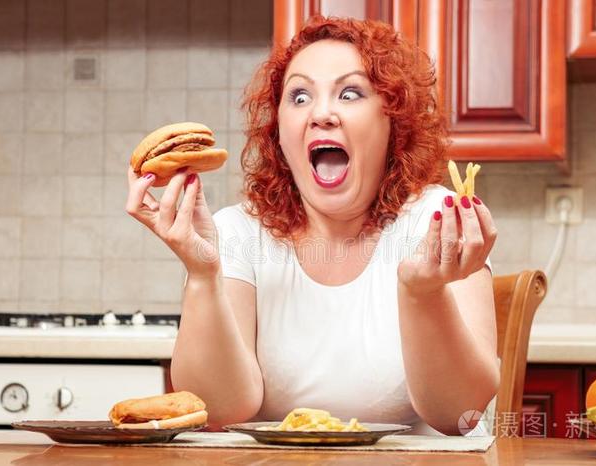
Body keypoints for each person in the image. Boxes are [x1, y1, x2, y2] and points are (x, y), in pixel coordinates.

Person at [126, 16, 498, 436]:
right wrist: (202, 276)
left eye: (350, 93)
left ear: (392, 122)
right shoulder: (237, 234)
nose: (321, 113)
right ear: (280, 133)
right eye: (299, 96)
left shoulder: (439, 223)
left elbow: (460, 414)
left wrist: (422, 294)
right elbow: (220, 410)